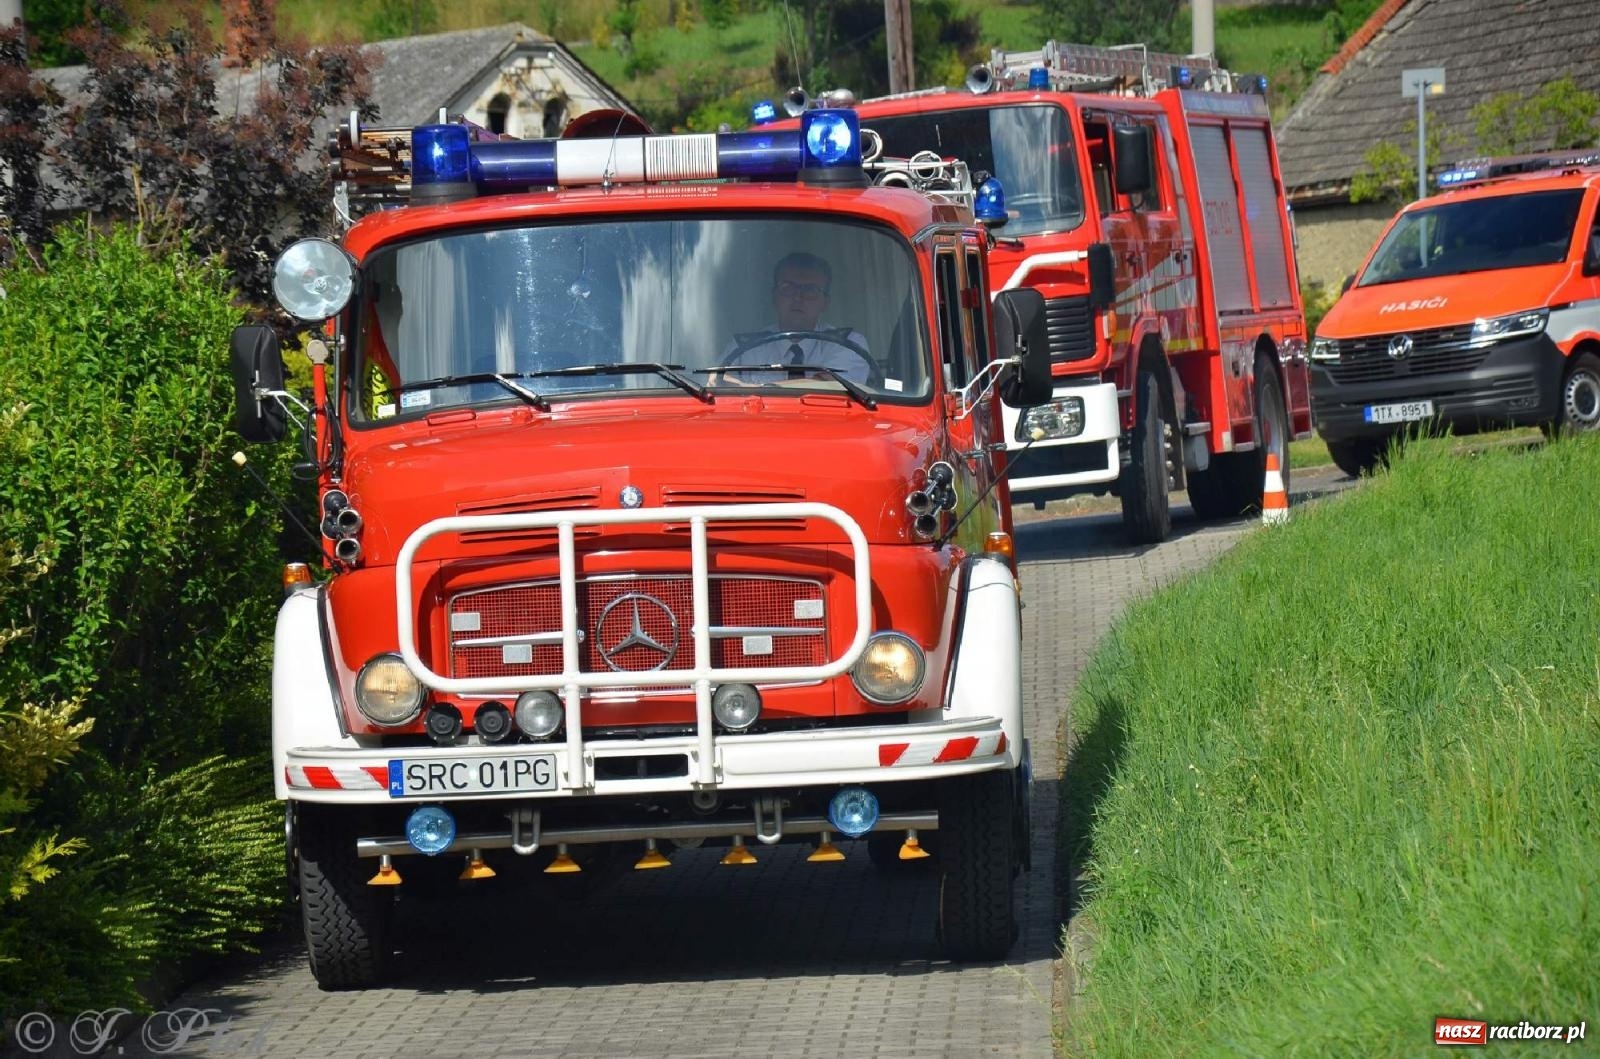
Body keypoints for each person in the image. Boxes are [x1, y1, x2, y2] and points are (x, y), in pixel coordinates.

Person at [721, 252, 872, 384]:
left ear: (825, 302)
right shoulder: (743, 348)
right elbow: (717, 386)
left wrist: (755, 389)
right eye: (788, 287)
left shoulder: (848, 343)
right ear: (774, 296)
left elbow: (829, 385)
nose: (798, 297)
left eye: (810, 290)